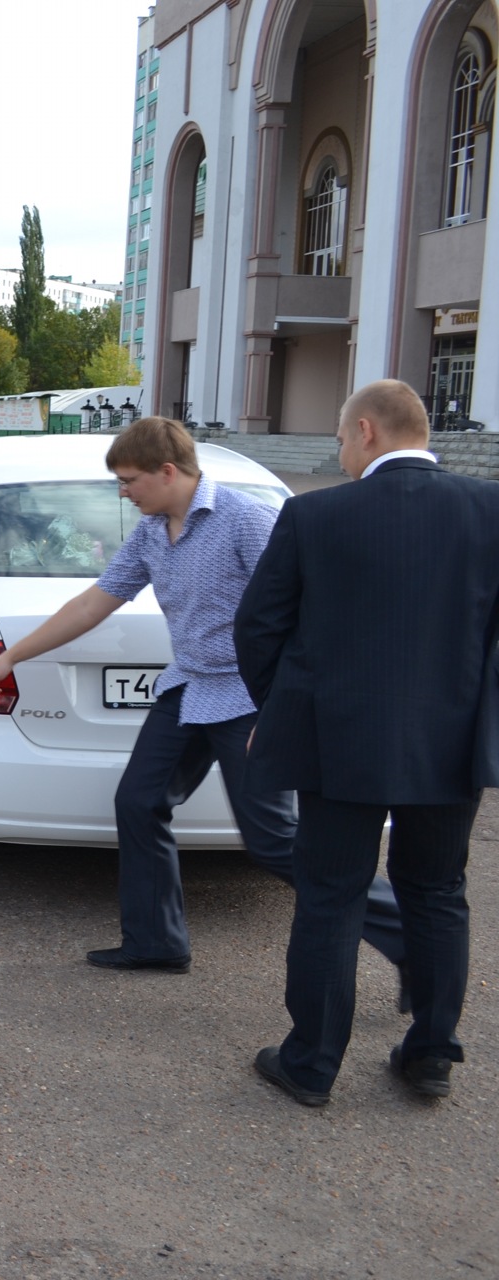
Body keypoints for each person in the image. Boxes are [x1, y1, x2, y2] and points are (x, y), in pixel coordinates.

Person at [0, 417, 408, 980]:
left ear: (168, 471)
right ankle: (156, 943)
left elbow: (306, 611)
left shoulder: (248, 520)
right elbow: (93, 604)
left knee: (273, 843)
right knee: (139, 802)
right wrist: (9, 658)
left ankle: (407, 934)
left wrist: (282, 708)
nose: (122, 492)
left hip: (248, 696)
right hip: (189, 685)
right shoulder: (152, 530)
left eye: (128, 480)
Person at [236, 379, 499, 1107]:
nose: (339, 452)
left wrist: (280, 709)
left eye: (342, 439)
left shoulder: (315, 514)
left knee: (331, 898)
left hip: (336, 742)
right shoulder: (490, 511)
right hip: (450, 744)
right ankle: (433, 1055)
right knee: (439, 892)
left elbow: (259, 628)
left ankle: (311, 1064)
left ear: (367, 432)